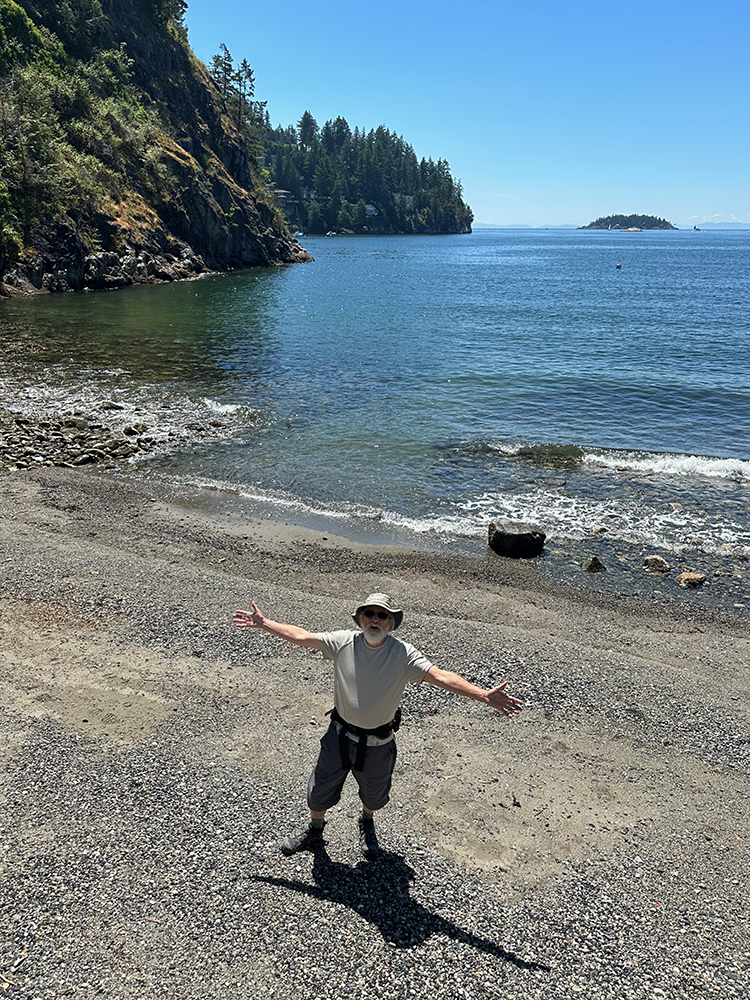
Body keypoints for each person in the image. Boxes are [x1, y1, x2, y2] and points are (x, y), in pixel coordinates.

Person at [232, 592, 523, 858]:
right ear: (360, 619)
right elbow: (302, 636)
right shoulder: (343, 641)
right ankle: (315, 831)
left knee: (374, 792)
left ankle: (366, 821)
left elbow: (441, 677)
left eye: (382, 615)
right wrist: (265, 624)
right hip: (339, 735)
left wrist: (483, 695)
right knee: (320, 787)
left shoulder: (403, 654)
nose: (375, 619)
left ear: (391, 623)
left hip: (379, 742)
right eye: (369, 614)